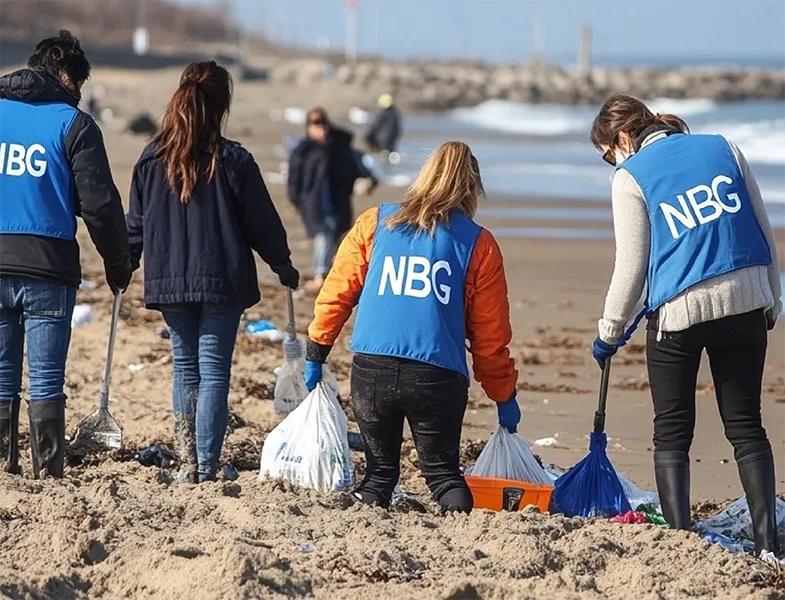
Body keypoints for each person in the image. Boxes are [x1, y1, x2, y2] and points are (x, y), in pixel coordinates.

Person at [590, 93, 781, 555]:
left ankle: (680, 542)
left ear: (621, 139)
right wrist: (773, 298)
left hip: (681, 314)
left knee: (672, 430)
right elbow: (762, 227)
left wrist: (609, 331)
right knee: (747, 426)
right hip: (747, 301)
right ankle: (767, 543)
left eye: (606, 155)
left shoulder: (630, 176)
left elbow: (631, 266)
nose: (609, 163)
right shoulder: (724, 147)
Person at [303, 141, 520, 514]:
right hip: (437, 377)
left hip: (372, 370)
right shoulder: (479, 244)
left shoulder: (376, 222)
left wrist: (316, 351)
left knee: (379, 475)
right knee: (443, 476)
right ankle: (460, 534)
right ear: (471, 188)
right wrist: (503, 395)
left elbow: (337, 291)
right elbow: (489, 336)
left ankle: (366, 530)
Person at [126, 61, 299, 484]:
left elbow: (136, 224)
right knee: (213, 371)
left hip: (168, 280)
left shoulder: (151, 158)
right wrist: (283, 265)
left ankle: (189, 463)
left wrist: (124, 265)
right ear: (222, 106)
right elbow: (262, 223)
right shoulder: (233, 159)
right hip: (221, 279)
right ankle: (205, 464)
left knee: (186, 368)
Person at [0, 30, 131, 478]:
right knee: (46, 380)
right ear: (66, 76)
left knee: (1, 376)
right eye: (78, 85)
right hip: (49, 269)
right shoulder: (74, 125)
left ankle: (3, 470)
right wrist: (119, 264)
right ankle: (48, 474)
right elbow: (100, 204)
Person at [287, 107, 378, 293]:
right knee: (323, 236)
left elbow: (356, 166)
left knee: (337, 236)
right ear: (308, 127)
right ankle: (320, 275)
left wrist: (369, 179)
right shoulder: (303, 151)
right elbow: (294, 178)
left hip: (338, 201)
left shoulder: (340, 146)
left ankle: (330, 274)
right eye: (315, 125)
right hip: (314, 203)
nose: (320, 129)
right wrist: (294, 200)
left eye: (323, 125)